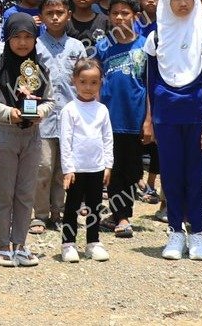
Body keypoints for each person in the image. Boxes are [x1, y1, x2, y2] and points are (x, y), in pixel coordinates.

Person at [143, 0, 202, 262]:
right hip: (166, 118)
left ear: (196, 0)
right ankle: (176, 231)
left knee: (195, 176)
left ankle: (197, 233)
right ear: (166, 0)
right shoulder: (156, 38)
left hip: (197, 117)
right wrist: (150, 120)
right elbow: (150, 83)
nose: (182, 3)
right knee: (171, 176)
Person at [0, 13, 53, 267]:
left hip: (32, 135)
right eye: (16, 37)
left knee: (25, 192)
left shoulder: (40, 69)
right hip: (3, 134)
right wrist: (8, 112)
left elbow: (50, 100)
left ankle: (20, 244)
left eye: (28, 37)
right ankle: (2, 245)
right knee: (3, 192)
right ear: (7, 38)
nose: (22, 43)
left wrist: (40, 112)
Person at [94, 0, 146, 239]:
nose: (120, 17)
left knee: (133, 170)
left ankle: (119, 213)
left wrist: (149, 120)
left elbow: (151, 85)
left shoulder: (146, 46)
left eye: (125, 13)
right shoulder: (102, 47)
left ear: (136, 16)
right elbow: (94, 81)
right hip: (110, 118)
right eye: (115, 13)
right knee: (114, 169)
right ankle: (122, 216)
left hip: (136, 118)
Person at [34, 0, 86, 234]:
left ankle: (58, 211)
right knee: (43, 166)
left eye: (60, 13)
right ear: (41, 17)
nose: (55, 18)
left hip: (69, 115)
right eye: (49, 13)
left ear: (69, 15)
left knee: (63, 168)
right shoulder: (35, 45)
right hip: (42, 117)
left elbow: (84, 80)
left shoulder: (76, 47)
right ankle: (40, 214)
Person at [57, 59, 113, 263]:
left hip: (96, 167)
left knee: (94, 206)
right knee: (72, 206)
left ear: (100, 83)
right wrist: (68, 168)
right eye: (83, 82)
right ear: (74, 81)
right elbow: (65, 141)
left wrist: (108, 165)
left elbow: (107, 138)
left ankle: (93, 242)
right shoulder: (69, 110)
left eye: (94, 82)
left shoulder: (102, 110)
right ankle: (68, 243)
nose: (88, 87)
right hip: (76, 169)